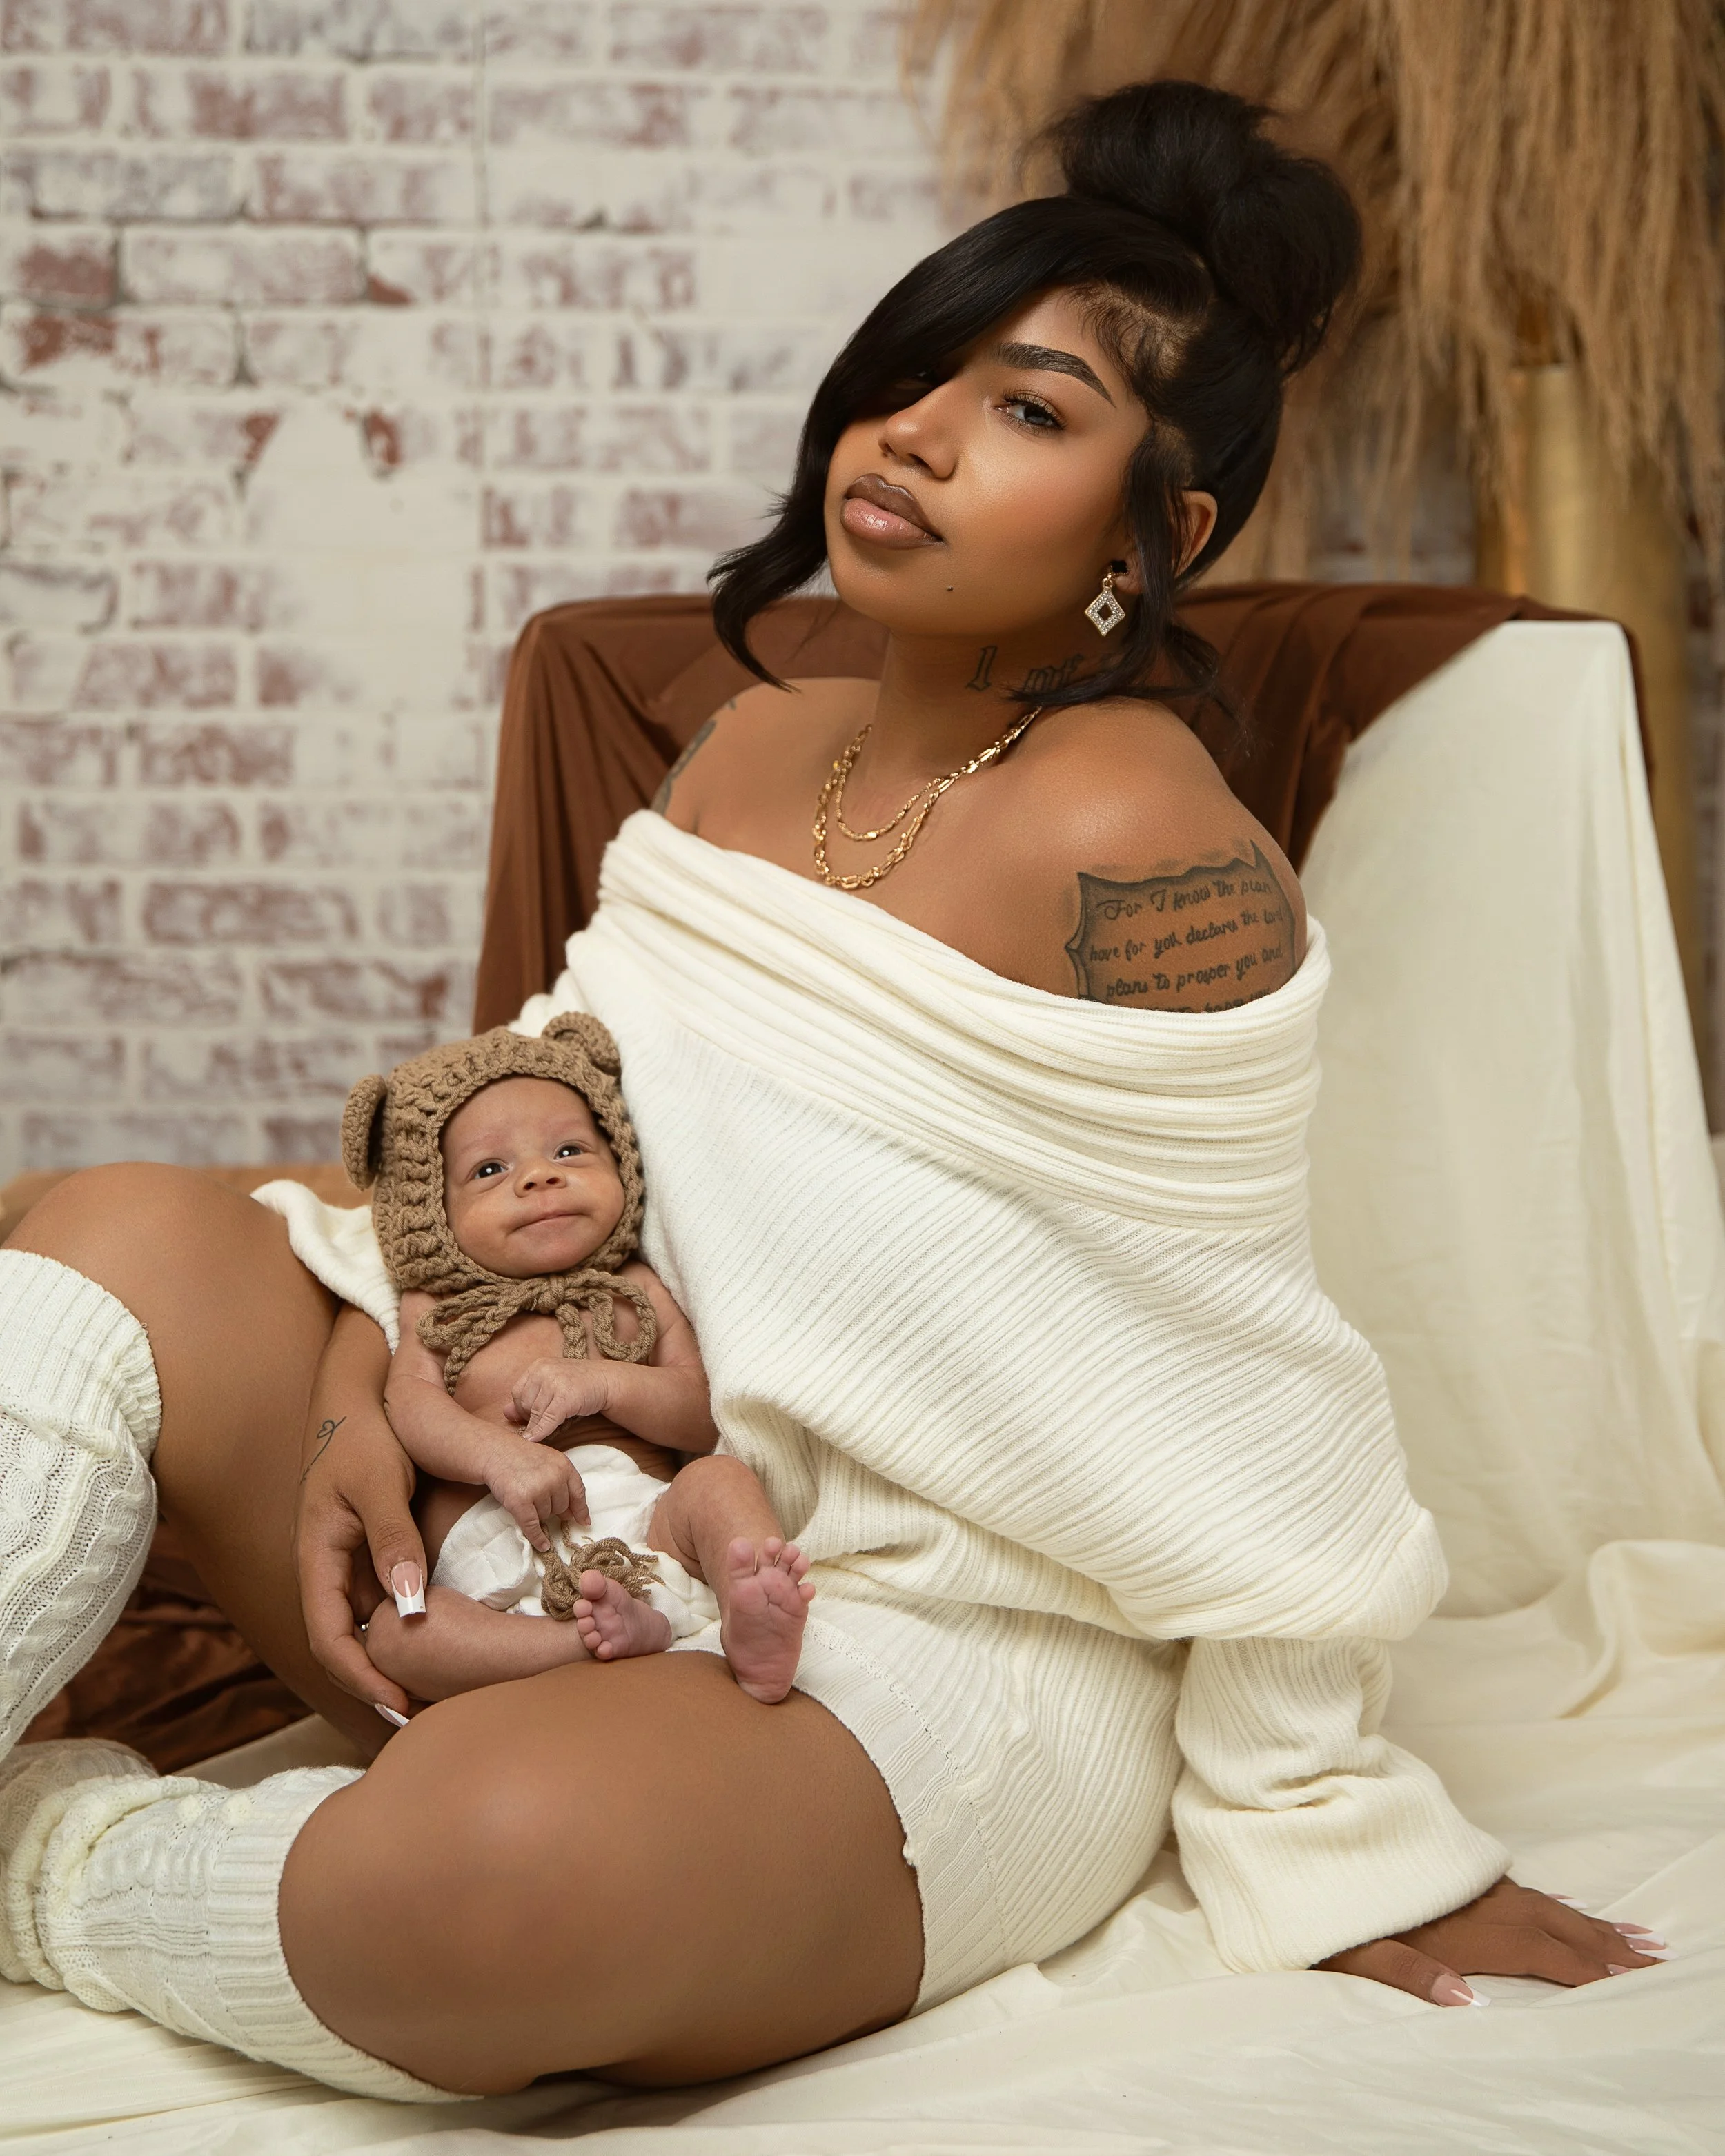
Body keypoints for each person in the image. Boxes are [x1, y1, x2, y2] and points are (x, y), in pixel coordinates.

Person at [0, 79, 1663, 2103]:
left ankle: (50, 1862)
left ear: (1163, 539)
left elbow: (1241, 1364)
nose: (916, 432)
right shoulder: (754, 743)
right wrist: (371, 1385)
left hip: (936, 1637)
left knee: (482, 1888)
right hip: (552, 1469)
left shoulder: (1138, 830)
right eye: (913, 370)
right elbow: (552, 1125)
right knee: (101, 1233)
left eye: (1030, 410)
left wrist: (1320, 1812)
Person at [324, 1018, 813, 1707]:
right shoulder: (438, 1305)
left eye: (570, 1149)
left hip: (650, 1532)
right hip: (487, 1567)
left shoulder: (635, 1288)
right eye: (490, 1169)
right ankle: (588, 1639)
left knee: (720, 1481)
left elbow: (699, 1414)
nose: (540, 1175)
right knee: (397, 1634)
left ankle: (751, 1606)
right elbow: (411, 1404)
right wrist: (497, 1454)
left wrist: (605, 1382)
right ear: (431, 1208)